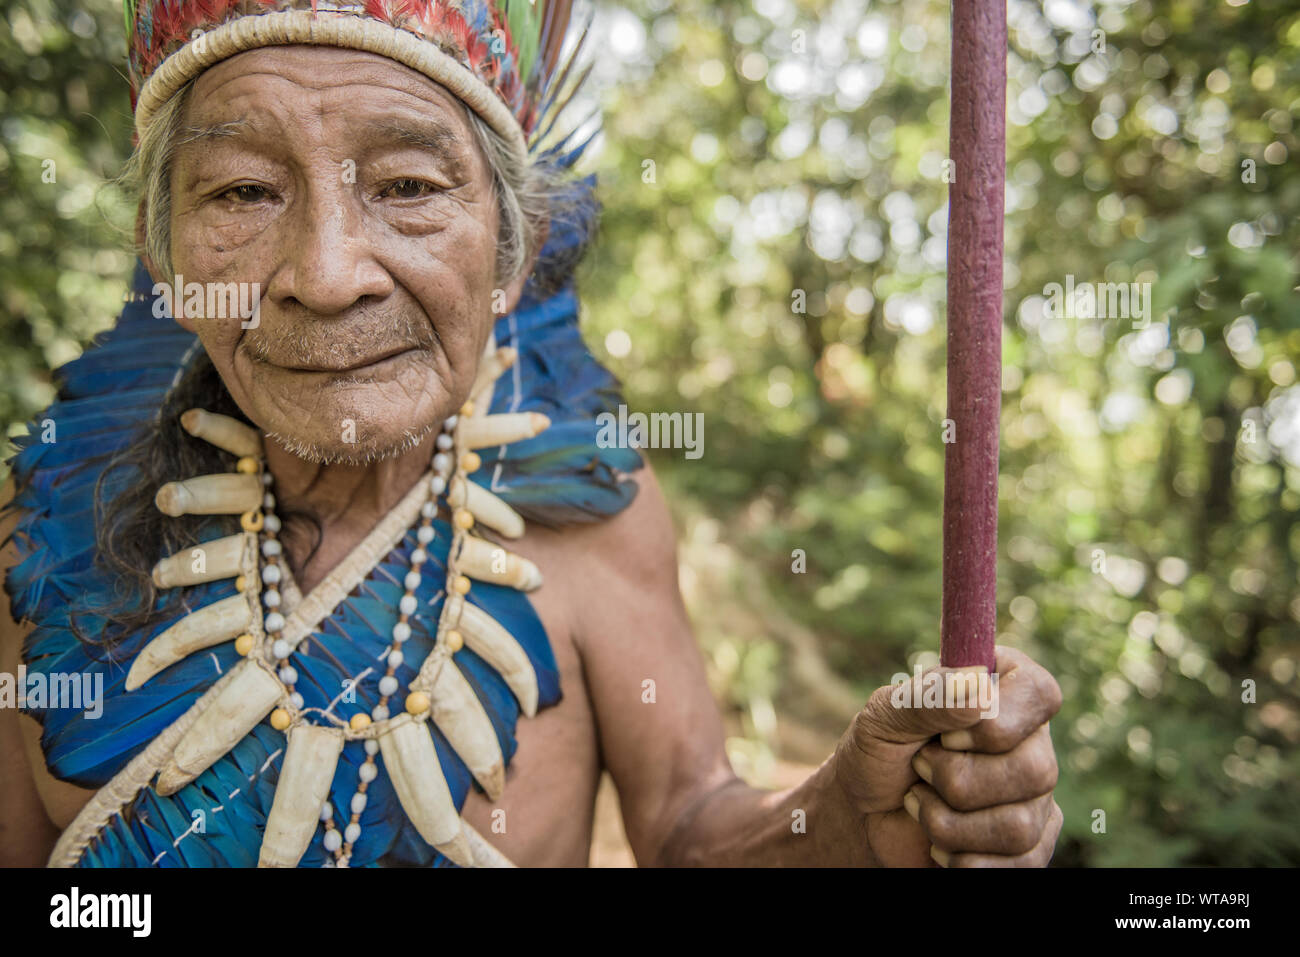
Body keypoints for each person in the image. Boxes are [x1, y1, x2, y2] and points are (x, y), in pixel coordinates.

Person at [0, 0, 1062, 868]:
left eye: (410, 186)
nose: (325, 277)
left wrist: (843, 821)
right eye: (242, 190)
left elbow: (691, 826)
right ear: (170, 263)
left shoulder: (594, 513)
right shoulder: (40, 545)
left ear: (511, 255)